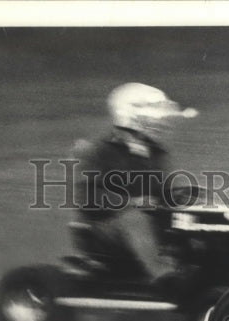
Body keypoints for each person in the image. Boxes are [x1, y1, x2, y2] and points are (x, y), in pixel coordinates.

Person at [74, 82, 199, 294]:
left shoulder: (157, 153)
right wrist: (130, 203)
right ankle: (165, 278)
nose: (161, 125)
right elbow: (87, 198)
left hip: (147, 228)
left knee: (195, 217)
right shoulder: (99, 151)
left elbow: (164, 195)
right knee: (134, 218)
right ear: (131, 118)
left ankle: (210, 269)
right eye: (154, 120)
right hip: (105, 232)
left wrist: (183, 196)